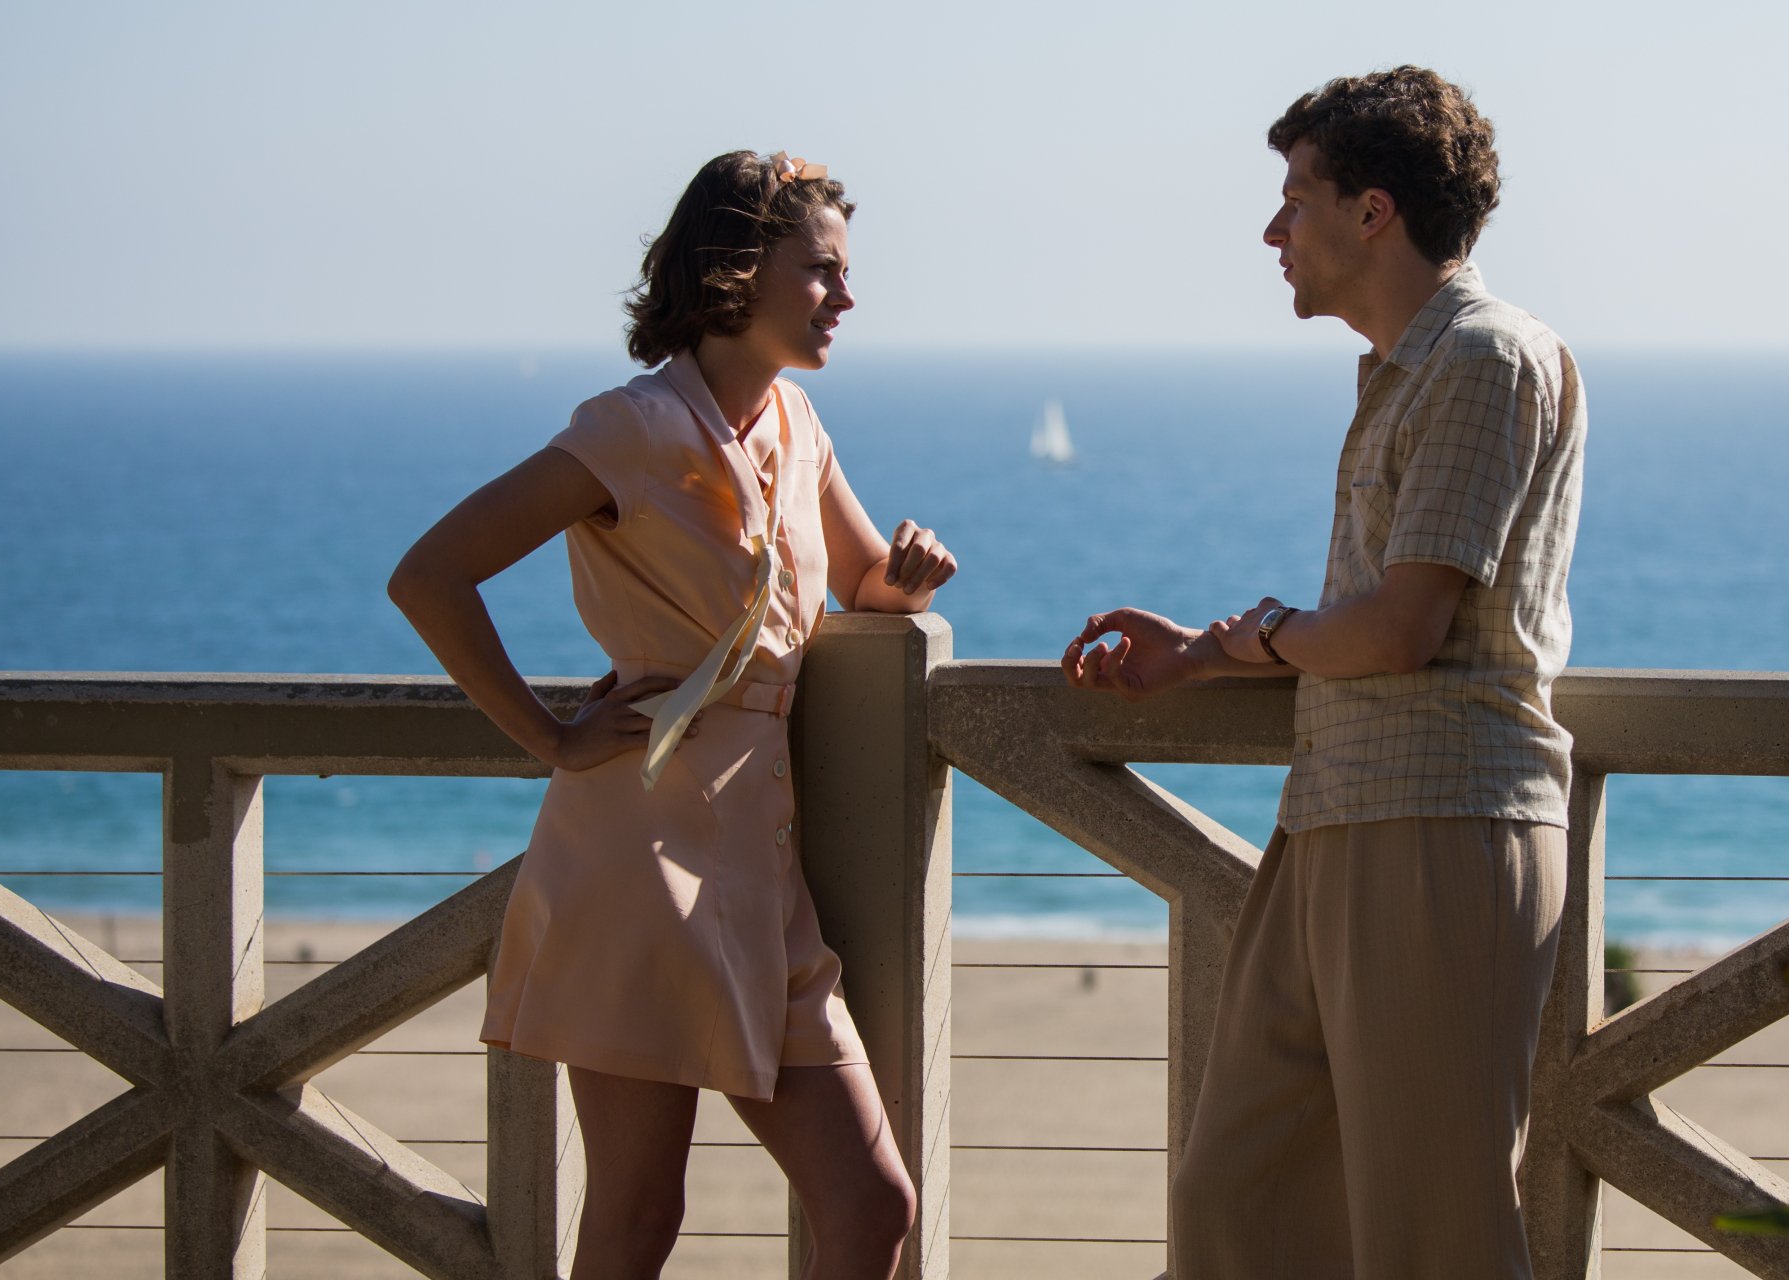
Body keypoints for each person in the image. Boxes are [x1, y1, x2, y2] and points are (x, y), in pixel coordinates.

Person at [389, 150, 954, 1279]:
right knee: (640, 1215)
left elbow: (857, 584)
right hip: (638, 854)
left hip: (763, 867)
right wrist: (547, 736)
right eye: (824, 271)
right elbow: (431, 574)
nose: (847, 296)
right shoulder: (632, 427)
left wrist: (913, 572)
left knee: (873, 1199)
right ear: (738, 272)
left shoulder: (797, 422)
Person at [1062, 68, 1585, 1279]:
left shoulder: (1484, 359)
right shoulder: (1404, 370)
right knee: (1239, 1196)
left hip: (1442, 823)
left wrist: (1252, 636)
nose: (1271, 228)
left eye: (1295, 195)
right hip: (1344, 814)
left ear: (1373, 212)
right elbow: (1367, 625)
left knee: (1432, 1229)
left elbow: (1402, 627)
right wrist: (1204, 653)